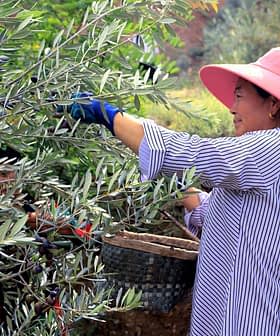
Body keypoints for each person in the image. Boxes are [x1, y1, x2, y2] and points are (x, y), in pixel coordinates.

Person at [61, 47, 280, 335]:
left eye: (239, 95)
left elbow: (193, 153)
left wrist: (107, 115)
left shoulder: (270, 148)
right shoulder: (256, 165)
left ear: (274, 104)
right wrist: (170, 179)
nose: (232, 107)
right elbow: (210, 212)